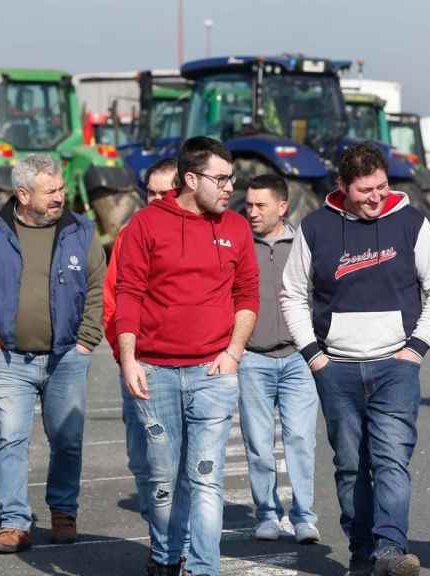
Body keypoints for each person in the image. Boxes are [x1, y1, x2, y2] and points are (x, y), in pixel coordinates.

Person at [281, 143, 430, 576]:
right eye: (364, 191)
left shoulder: (411, 223)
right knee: (351, 465)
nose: (375, 197)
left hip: (395, 366)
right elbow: (292, 294)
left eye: (381, 186)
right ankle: (362, 554)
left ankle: (391, 550)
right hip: (335, 368)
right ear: (342, 187)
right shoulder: (316, 228)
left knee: (391, 459)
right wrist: (314, 355)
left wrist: (415, 348)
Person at [116, 136, 259, 576]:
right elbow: (129, 294)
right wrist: (128, 360)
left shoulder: (235, 227)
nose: (229, 187)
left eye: (231, 178)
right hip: (155, 373)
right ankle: (164, 556)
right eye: (220, 179)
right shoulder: (146, 224)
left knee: (206, 478)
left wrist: (234, 352)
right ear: (191, 179)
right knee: (162, 482)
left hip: (213, 374)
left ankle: (202, 568)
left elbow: (248, 295)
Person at [0, 153, 105, 553]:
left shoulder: (81, 231)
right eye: (50, 190)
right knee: (11, 440)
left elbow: (100, 290)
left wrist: (86, 341)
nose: (60, 196)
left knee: (67, 440)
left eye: (61, 188)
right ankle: (14, 523)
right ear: (22, 194)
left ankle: (63, 512)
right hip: (8, 359)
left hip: (67, 357)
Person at [102, 158, 177, 570]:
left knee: (176, 465)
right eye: (150, 193)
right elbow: (113, 300)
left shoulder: (199, 231)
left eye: (165, 193)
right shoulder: (132, 233)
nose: (156, 200)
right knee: (143, 461)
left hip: (182, 367)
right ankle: (159, 538)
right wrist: (124, 356)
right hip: (138, 365)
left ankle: (175, 549)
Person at [239, 174, 321, 543]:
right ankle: (267, 514)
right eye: (248, 205)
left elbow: (321, 296)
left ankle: (304, 516)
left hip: (298, 358)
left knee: (301, 439)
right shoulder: (239, 244)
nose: (251, 212)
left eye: (260, 205)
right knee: (258, 443)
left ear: (282, 207)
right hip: (252, 359)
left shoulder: (303, 244)